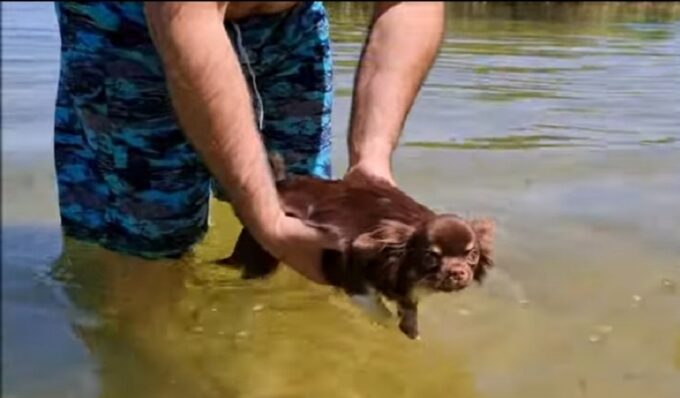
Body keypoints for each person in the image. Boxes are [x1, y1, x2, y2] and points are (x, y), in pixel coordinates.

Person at [52, 1, 445, 284]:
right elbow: (187, 21)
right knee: (149, 240)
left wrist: (371, 162)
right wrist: (266, 222)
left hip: (288, 20)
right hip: (127, 20)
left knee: (309, 212)